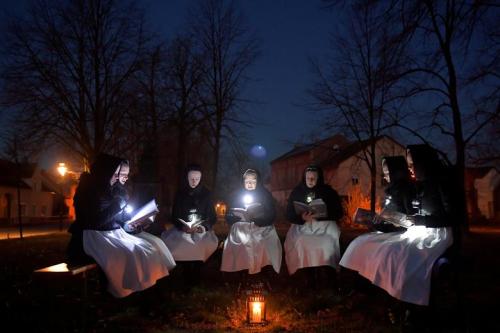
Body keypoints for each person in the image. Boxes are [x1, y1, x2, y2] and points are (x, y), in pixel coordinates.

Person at [340, 146, 455, 307]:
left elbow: (453, 217)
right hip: (422, 230)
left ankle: (407, 300)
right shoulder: (421, 185)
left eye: (412, 164)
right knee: (392, 249)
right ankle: (389, 293)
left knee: (402, 253)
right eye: (408, 165)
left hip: (438, 234)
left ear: (423, 163)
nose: (410, 169)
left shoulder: (442, 183)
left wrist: (420, 220)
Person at [66, 153, 176, 298]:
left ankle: (149, 290)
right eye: (118, 173)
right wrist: (117, 206)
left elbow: (119, 218)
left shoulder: (116, 190)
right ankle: (133, 291)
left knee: (149, 248)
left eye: (123, 174)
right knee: (133, 252)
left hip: (113, 232)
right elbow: (94, 222)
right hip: (93, 236)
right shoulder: (88, 190)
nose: (120, 178)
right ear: (108, 171)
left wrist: (131, 224)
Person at [284, 165, 344, 283]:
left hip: (325, 227)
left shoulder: (329, 192)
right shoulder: (297, 191)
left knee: (327, 244)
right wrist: (301, 217)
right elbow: (289, 214)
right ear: (304, 178)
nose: (310, 181)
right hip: (303, 227)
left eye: (313, 178)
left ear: (319, 178)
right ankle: (308, 275)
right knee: (301, 242)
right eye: (308, 178)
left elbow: (339, 212)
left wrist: (322, 215)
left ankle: (329, 275)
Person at [161, 164, 218, 286]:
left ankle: (196, 277)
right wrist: (182, 226)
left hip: (200, 231)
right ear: (186, 177)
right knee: (182, 245)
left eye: (197, 178)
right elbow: (175, 216)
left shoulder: (206, 194)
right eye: (191, 178)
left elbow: (212, 217)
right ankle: (186, 277)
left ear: (201, 178)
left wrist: (202, 227)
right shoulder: (180, 193)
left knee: (200, 246)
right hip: (183, 230)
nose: (194, 181)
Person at [220, 169, 282, 276]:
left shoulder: (265, 194)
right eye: (247, 181)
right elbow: (229, 215)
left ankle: (262, 271)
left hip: (261, 226)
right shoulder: (236, 194)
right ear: (243, 182)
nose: (250, 184)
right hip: (241, 227)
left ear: (258, 182)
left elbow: (271, 215)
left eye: (253, 181)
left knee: (264, 243)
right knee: (242, 244)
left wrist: (259, 219)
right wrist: (236, 217)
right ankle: (243, 271)